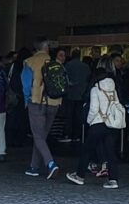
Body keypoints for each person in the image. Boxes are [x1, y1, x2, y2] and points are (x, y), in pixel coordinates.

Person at [70, 55, 123, 189]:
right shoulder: (113, 86)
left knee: (87, 150)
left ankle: (79, 176)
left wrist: (89, 121)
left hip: (98, 123)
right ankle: (113, 180)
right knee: (110, 152)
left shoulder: (95, 88)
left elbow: (93, 109)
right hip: (111, 123)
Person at [22, 42, 65, 179]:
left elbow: (26, 84)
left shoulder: (29, 62)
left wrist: (26, 100)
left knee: (38, 135)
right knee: (42, 136)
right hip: (54, 102)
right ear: (47, 49)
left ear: (36, 48)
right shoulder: (56, 63)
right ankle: (34, 167)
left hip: (36, 101)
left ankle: (50, 163)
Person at [63, 47, 91, 146]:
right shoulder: (85, 67)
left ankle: (68, 134)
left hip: (70, 94)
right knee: (79, 116)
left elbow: (64, 78)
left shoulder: (67, 65)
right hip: (81, 94)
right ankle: (77, 135)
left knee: (69, 115)